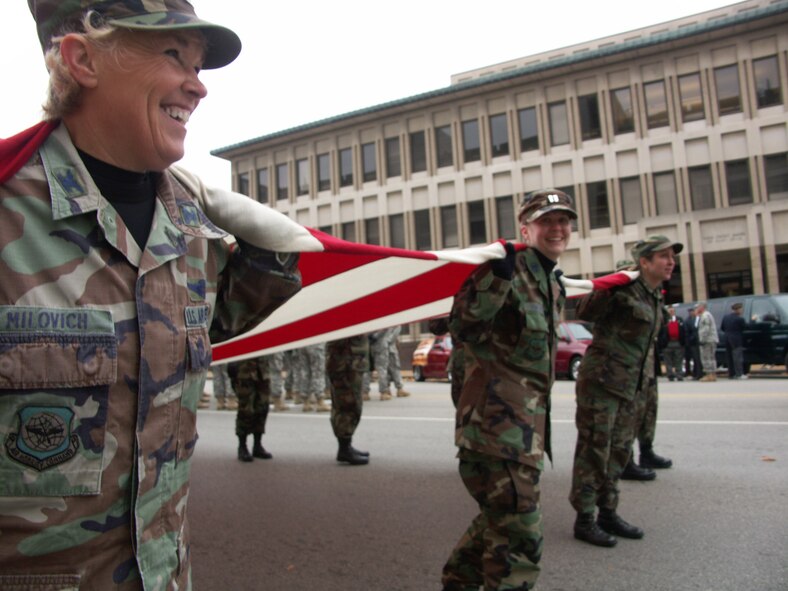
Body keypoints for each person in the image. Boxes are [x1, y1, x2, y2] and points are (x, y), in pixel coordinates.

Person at [0, 2, 301, 588]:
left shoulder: (193, 228)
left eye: (198, 64)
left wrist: (273, 246)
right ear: (81, 58)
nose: (199, 86)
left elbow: (217, 322)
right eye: (172, 55)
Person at [441, 189, 576, 591]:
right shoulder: (504, 270)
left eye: (563, 220)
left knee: (500, 520)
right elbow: (463, 329)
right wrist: (495, 279)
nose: (556, 228)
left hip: (524, 431)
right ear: (525, 229)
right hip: (495, 433)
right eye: (546, 221)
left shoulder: (552, 282)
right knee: (520, 537)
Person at [569, 235, 682, 548]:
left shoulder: (653, 294)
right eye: (664, 256)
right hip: (602, 383)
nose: (671, 261)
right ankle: (584, 519)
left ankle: (608, 512)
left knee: (619, 452)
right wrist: (610, 284)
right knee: (594, 451)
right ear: (644, 261)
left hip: (631, 386)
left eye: (672, 256)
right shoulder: (623, 286)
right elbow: (586, 309)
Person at [326, 335, 372, 465]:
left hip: (351, 361)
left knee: (351, 403)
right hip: (345, 362)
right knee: (347, 404)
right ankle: (344, 449)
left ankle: (346, 446)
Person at [228, 357, 274, 462]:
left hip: (262, 368)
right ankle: (242, 446)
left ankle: (257, 445)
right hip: (244, 368)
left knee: (263, 407)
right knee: (246, 409)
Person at [372, 326, 411, 400]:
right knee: (384, 369)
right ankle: (385, 391)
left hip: (382, 345)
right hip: (385, 345)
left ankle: (393, 389)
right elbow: (391, 336)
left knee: (388, 368)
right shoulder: (395, 323)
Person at [721, 302, 747, 379]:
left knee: (729, 357)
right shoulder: (740, 319)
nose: (742, 311)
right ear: (737, 310)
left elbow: (722, 327)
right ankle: (739, 374)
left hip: (727, 338)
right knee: (737, 357)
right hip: (736, 340)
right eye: (741, 309)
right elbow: (744, 328)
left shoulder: (726, 317)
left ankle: (731, 374)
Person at [659, 306, 686, 381]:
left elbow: (684, 331)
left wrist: (683, 342)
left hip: (678, 343)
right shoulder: (664, 320)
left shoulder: (679, 320)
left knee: (678, 360)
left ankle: (679, 374)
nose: (671, 312)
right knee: (668, 361)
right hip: (667, 344)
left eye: (672, 311)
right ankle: (670, 375)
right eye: (669, 311)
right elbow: (660, 332)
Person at [696, 301, 719, 382]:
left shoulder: (705, 316)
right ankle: (713, 375)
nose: (696, 309)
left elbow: (706, 329)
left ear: (702, 307)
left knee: (706, 358)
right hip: (712, 339)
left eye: (698, 307)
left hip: (707, 340)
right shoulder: (708, 315)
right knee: (712, 358)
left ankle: (709, 375)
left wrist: (702, 339)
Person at [684, 306, 703, 380]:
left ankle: (700, 373)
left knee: (700, 359)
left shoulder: (699, 318)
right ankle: (697, 374)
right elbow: (687, 332)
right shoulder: (687, 321)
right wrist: (690, 340)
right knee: (696, 359)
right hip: (693, 343)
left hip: (700, 341)